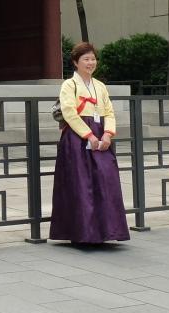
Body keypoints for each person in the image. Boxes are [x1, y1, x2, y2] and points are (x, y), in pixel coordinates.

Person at [49, 42, 131, 245]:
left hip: (101, 135)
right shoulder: (69, 85)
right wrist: (89, 135)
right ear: (75, 62)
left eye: (93, 59)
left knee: (106, 179)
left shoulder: (100, 86)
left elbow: (109, 112)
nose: (90, 62)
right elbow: (69, 112)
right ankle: (82, 234)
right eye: (86, 59)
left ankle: (106, 231)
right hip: (77, 138)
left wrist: (108, 134)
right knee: (80, 184)